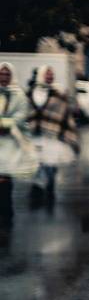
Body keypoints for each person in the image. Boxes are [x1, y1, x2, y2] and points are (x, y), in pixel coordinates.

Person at [26, 65, 79, 202]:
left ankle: (50, 189)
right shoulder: (31, 92)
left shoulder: (58, 94)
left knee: (50, 163)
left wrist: (65, 132)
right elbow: (26, 110)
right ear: (41, 75)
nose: (50, 77)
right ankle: (36, 189)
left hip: (52, 136)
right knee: (36, 162)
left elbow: (64, 112)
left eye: (51, 74)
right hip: (35, 135)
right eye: (47, 74)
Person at [0, 62, 38, 224]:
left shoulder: (19, 95)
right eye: (2, 74)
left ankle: (6, 212)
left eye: (7, 74)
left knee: (5, 177)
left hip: (11, 142)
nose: (4, 77)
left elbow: (21, 115)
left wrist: (4, 124)